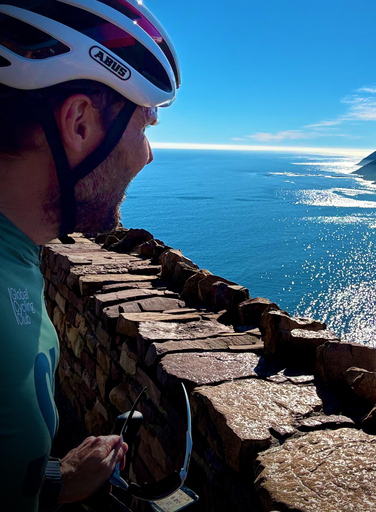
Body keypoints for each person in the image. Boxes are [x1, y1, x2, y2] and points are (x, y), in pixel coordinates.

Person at [0, 1, 181, 510]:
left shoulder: (18, 247)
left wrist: (54, 480)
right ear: (79, 124)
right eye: (144, 127)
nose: (147, 154)